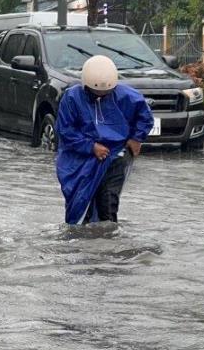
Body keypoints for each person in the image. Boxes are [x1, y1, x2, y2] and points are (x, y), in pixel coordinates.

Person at [55, 55, 154, 224]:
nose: (101, 95)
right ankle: (82, 239)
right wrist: (91, 147)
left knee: (108, 201)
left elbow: (145, 117)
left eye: (106, 93)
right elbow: (65, 131)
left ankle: (108, 239)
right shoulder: (72, 98)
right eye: (96, 93)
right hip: (80, 159)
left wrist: (136, 138)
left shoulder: (127, 96)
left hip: (115, 155)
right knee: (79, 201)